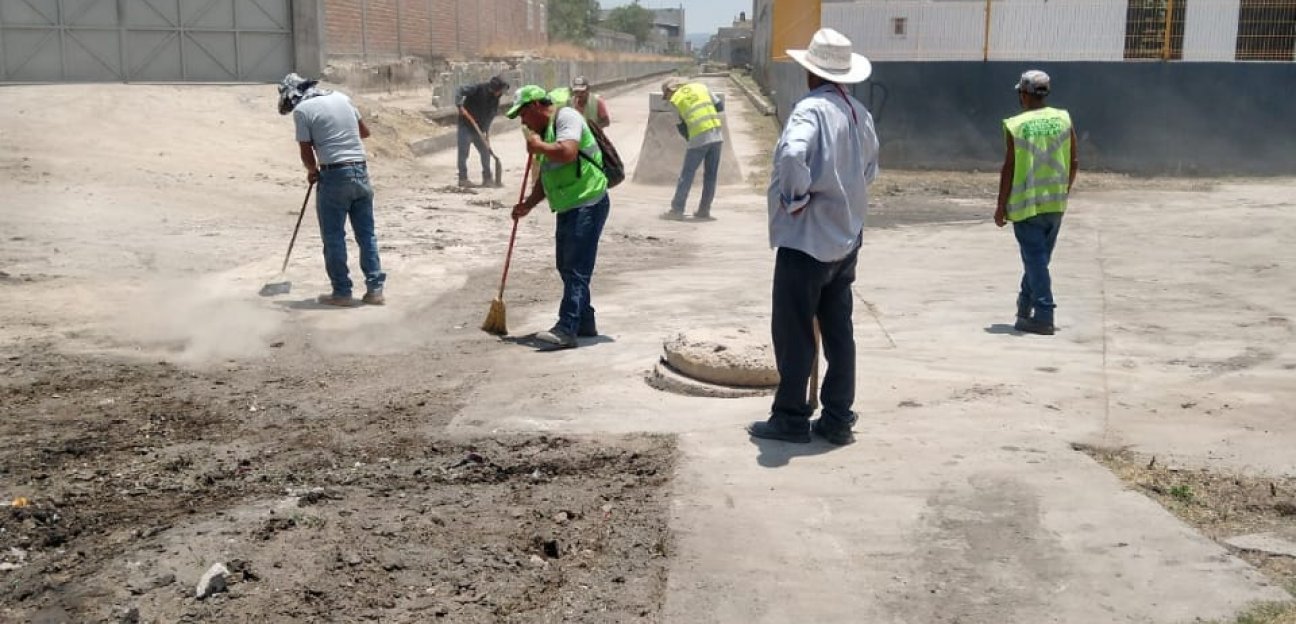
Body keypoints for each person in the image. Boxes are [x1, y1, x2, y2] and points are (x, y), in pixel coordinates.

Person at [746, 28, 878, 445]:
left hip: (806, 243)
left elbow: (790, 154)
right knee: (839, 331)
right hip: (845, 238)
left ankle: (790, 417)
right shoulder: (858, 112)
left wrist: (795, 196)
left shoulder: (809, 110)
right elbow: (870, 168)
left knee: (794, 330)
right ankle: (838, 418)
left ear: (810, 73)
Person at [507, 85, 611, 349]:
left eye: (522, 115)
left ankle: (566, 328)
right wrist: (527, 205)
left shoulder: (566, 118)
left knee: (576, 267)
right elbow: (547, 176)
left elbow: (568, 152)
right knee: (566, 265)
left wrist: (538, 146)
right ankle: (585, 321)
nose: (522, 121)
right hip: (568, 206)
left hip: (588, 201)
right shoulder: (544, 132)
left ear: (534, 107)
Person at [279, 73, 386, 307]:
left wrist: (311, 170)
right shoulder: (342, 97)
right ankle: (375, 290)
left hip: (334, 175)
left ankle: (342, 292)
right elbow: (365, 133)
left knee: (334, 237)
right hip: (361, 171)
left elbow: (306, 152)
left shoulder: (302, 111)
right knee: (366, 235)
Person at [994, 69, 1078, 336]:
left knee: (1035, 261)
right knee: (1038, 261)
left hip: (1026, 205)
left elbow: (1009, 167)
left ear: (1024, 94)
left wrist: (1000, 205)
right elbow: (1074, 161)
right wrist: (1064, 191)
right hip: (1055, 204)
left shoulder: (1016, 125)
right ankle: (1024, 305)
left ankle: (1044, 314)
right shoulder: (1064, 119)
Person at [661, 77, 725, 220]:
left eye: (666, 95)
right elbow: (720, 106)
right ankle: (704, 210)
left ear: (671, 90)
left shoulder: (675, 100)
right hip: (716, 134)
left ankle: (677, 209)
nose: (667, 98)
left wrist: (691, 138)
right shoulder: (701, 87)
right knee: (710, 176)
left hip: (698, 137)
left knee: (687, 175)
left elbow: (681, 127)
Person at [457, 76, 509, 187]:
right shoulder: (477, 89)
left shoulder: (495, 98)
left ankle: (487, 179)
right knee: (463, 152)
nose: (501, 93)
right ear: (494, 88)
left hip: (479, 129)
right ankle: (463, 179)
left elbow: (491, 115)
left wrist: (486, 131)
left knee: (485, 152)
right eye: (500, 90)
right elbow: (460, 90)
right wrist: (459, 105)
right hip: (466, 126)